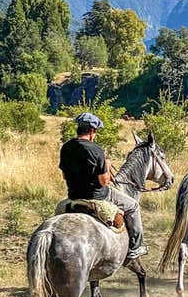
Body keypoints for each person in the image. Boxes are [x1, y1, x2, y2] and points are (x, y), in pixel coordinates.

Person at [59, 112, 148, 261]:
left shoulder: (66, 147)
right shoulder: (96, 150)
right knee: (133, 206)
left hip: (73, 195)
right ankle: (136, 247)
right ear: (93, 130)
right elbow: (103, 181)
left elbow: (64, 174)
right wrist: (106, 166)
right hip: (98, 196)